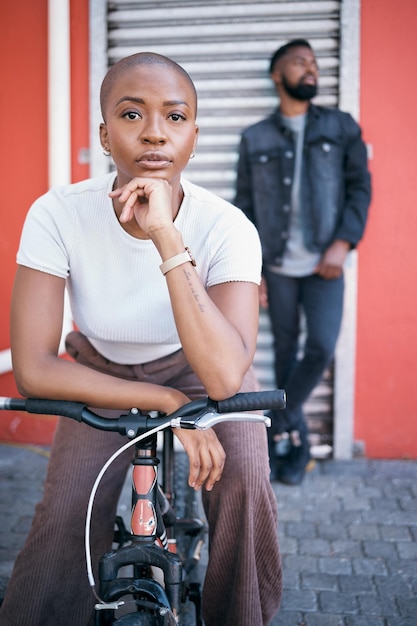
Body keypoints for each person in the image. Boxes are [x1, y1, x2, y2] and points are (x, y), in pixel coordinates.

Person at [0, 53, 282, 625]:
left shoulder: (227, 227)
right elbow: (33, 366)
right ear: (105, 134)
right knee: (67, 513)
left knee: (245, 483)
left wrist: (165, 237)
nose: (155, 131)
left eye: (175, 117)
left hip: (199, 366)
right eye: (132, 114)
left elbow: (226, 374)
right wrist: (168, 405)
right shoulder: (58, 215)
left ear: (194, 137)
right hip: (98, 370)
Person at [234, 39, 371, 486]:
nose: (310, 69)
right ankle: (297, 450)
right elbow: (245, 207)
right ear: (278, 75)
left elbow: (359, 187)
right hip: (276, 266)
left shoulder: (341, 126)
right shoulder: (255, 137)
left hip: (324, 266)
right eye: (300, 62)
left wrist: (344, 243)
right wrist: (252, 273)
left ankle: (275, 424)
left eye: (313, 63)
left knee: (321, 347)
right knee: (286, 354)